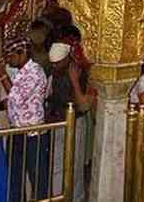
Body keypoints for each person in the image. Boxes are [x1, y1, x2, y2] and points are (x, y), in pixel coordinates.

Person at [0, 36, 50, 202]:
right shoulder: (22, 72)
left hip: (34, 135)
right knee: (15, 177)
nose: (8, 61)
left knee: (38, 179)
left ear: (22, 53)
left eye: (11, 57)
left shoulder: (35, 72)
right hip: (17, 131)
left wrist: (2, 74)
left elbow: (16, 98)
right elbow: (15, 101)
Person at [45, 42, 91, 202]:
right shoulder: (53, 73)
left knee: (75, 165)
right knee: (57, 166)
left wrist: (74, 81)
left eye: (58, 63)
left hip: (76, 124)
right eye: (53, 64)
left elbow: (84, 106)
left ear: (67, 60)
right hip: (58, 124)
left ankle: (76, 198)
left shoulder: (81, 74)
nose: (55, 66)